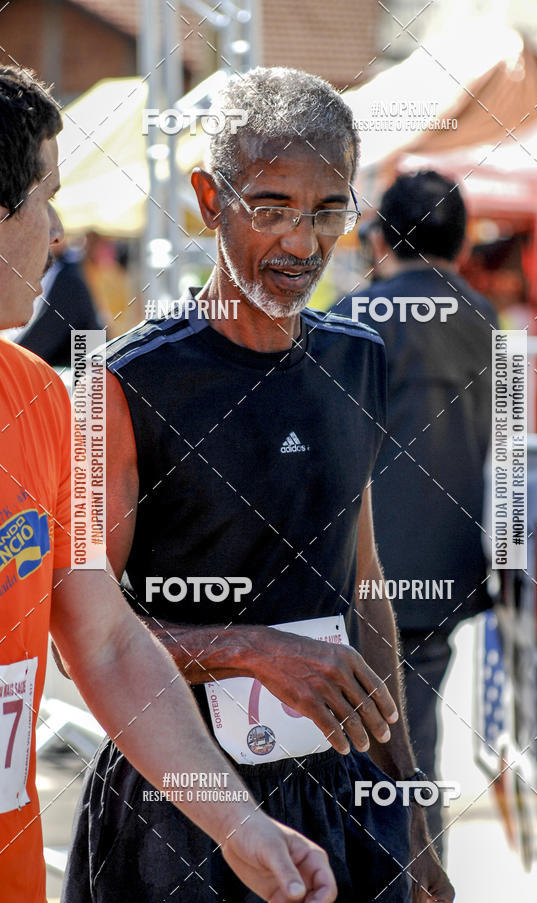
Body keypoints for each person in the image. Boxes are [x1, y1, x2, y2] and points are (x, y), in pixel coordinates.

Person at [61, 68, 454, 903]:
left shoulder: (359, 359)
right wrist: (253, 648)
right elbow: (88, 643)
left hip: (341, 798)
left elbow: (366, 586)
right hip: (183, 815)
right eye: (271, 207)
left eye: (328, 210)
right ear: (210, 199)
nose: (302, 243)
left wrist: (409, 809)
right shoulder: (127, 384)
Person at [0, 64, 337, 903]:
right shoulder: (121, 382)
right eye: (47, 196)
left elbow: (107, 640)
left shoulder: (38, 398)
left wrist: (240, 824)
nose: (60, 230)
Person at [336, 170, 498, 858]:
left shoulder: (352, 314)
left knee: (348, 748)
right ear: (461, 243)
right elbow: (504, 447)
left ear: (380, 236)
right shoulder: (487, 320)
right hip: (447, 565)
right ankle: (419, 873)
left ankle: (378, 874)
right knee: (415, 740)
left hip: (357, 574)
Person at [15, 237, 102, 366]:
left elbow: (46, 334)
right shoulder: (58, 271)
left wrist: (11, 357)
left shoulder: (68, 279)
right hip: (79, 369)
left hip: (79, 373)